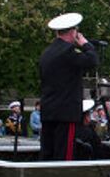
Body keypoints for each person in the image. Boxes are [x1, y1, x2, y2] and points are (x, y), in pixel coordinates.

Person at [39, 12, 98, 160]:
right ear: (73, 32)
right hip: (65, 113)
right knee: (64, 153)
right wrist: (85, 44)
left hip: (48, 111)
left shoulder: (46, 53)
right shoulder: (68, 52)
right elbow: (92, 60)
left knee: (47, 151)